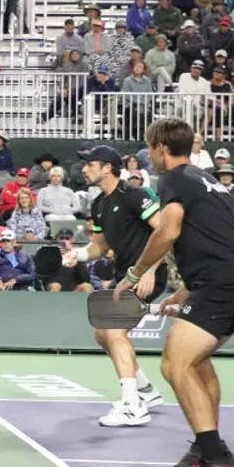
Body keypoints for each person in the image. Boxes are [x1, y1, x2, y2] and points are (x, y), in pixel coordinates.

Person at [116, 118, 234, 467]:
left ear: (162, 148)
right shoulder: (210, 183)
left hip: (224, 286)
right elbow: (218, 240)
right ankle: (205, 449)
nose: (149, 155)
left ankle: (218, 457)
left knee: (174, 364)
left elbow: (167, 232)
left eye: (150, 148)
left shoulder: (173, 180)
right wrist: (184, 292)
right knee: (196, 362)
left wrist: (135, 273)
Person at [74, 145, 167, 427]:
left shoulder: (134, 194)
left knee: (114, 331)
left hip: (147, 275)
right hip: (125, 276)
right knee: (103, 334)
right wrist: (77, 254)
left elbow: (165, 231)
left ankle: (133, 406)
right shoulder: (99, 203)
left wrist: (150, 269)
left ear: (107, 167)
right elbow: (100, 246)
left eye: (90, 163)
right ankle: (146, 391)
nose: (84, 168)